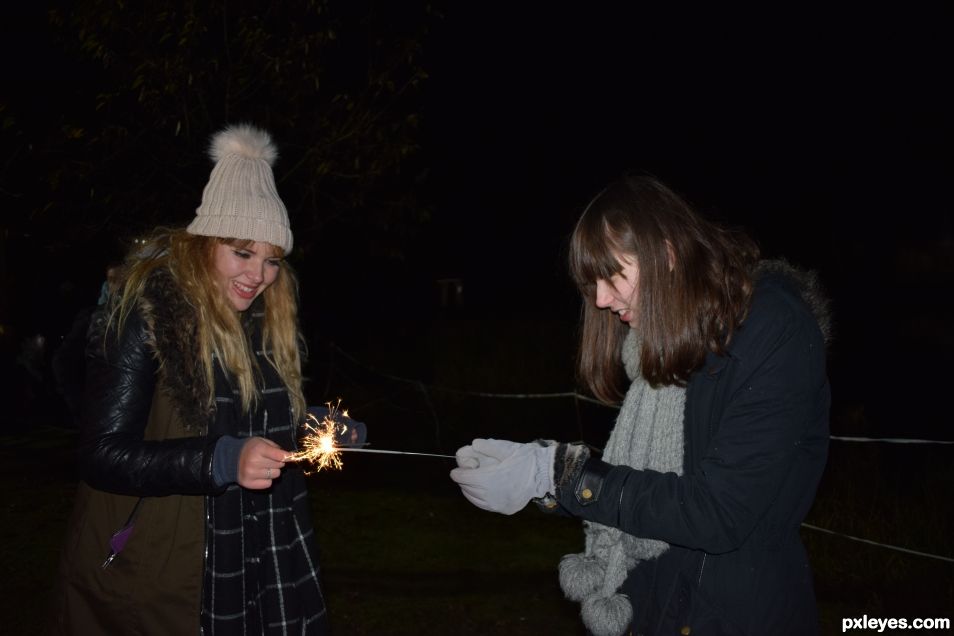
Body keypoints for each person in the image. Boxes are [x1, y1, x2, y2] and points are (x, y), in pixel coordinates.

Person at [450, 175, 831, 636]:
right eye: (592, 282)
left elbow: (717, 512)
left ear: (667, 255)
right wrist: (541, 475)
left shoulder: (775, 332)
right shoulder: (663, 348)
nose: (601, 300)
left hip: (737, 616)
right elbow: (639, 489)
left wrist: (562, 474)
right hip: (654, 611)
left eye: (613, 276)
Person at [50, 124, 329, 634]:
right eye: (242, 253)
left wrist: (317, 429)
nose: (259, 275)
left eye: (271, 260)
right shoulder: (146, 313)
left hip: (258, 552)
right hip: (160, 561)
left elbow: (247, 419)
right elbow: (103, 454)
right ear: (204, 243)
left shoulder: (261, 319)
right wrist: (221, 459)